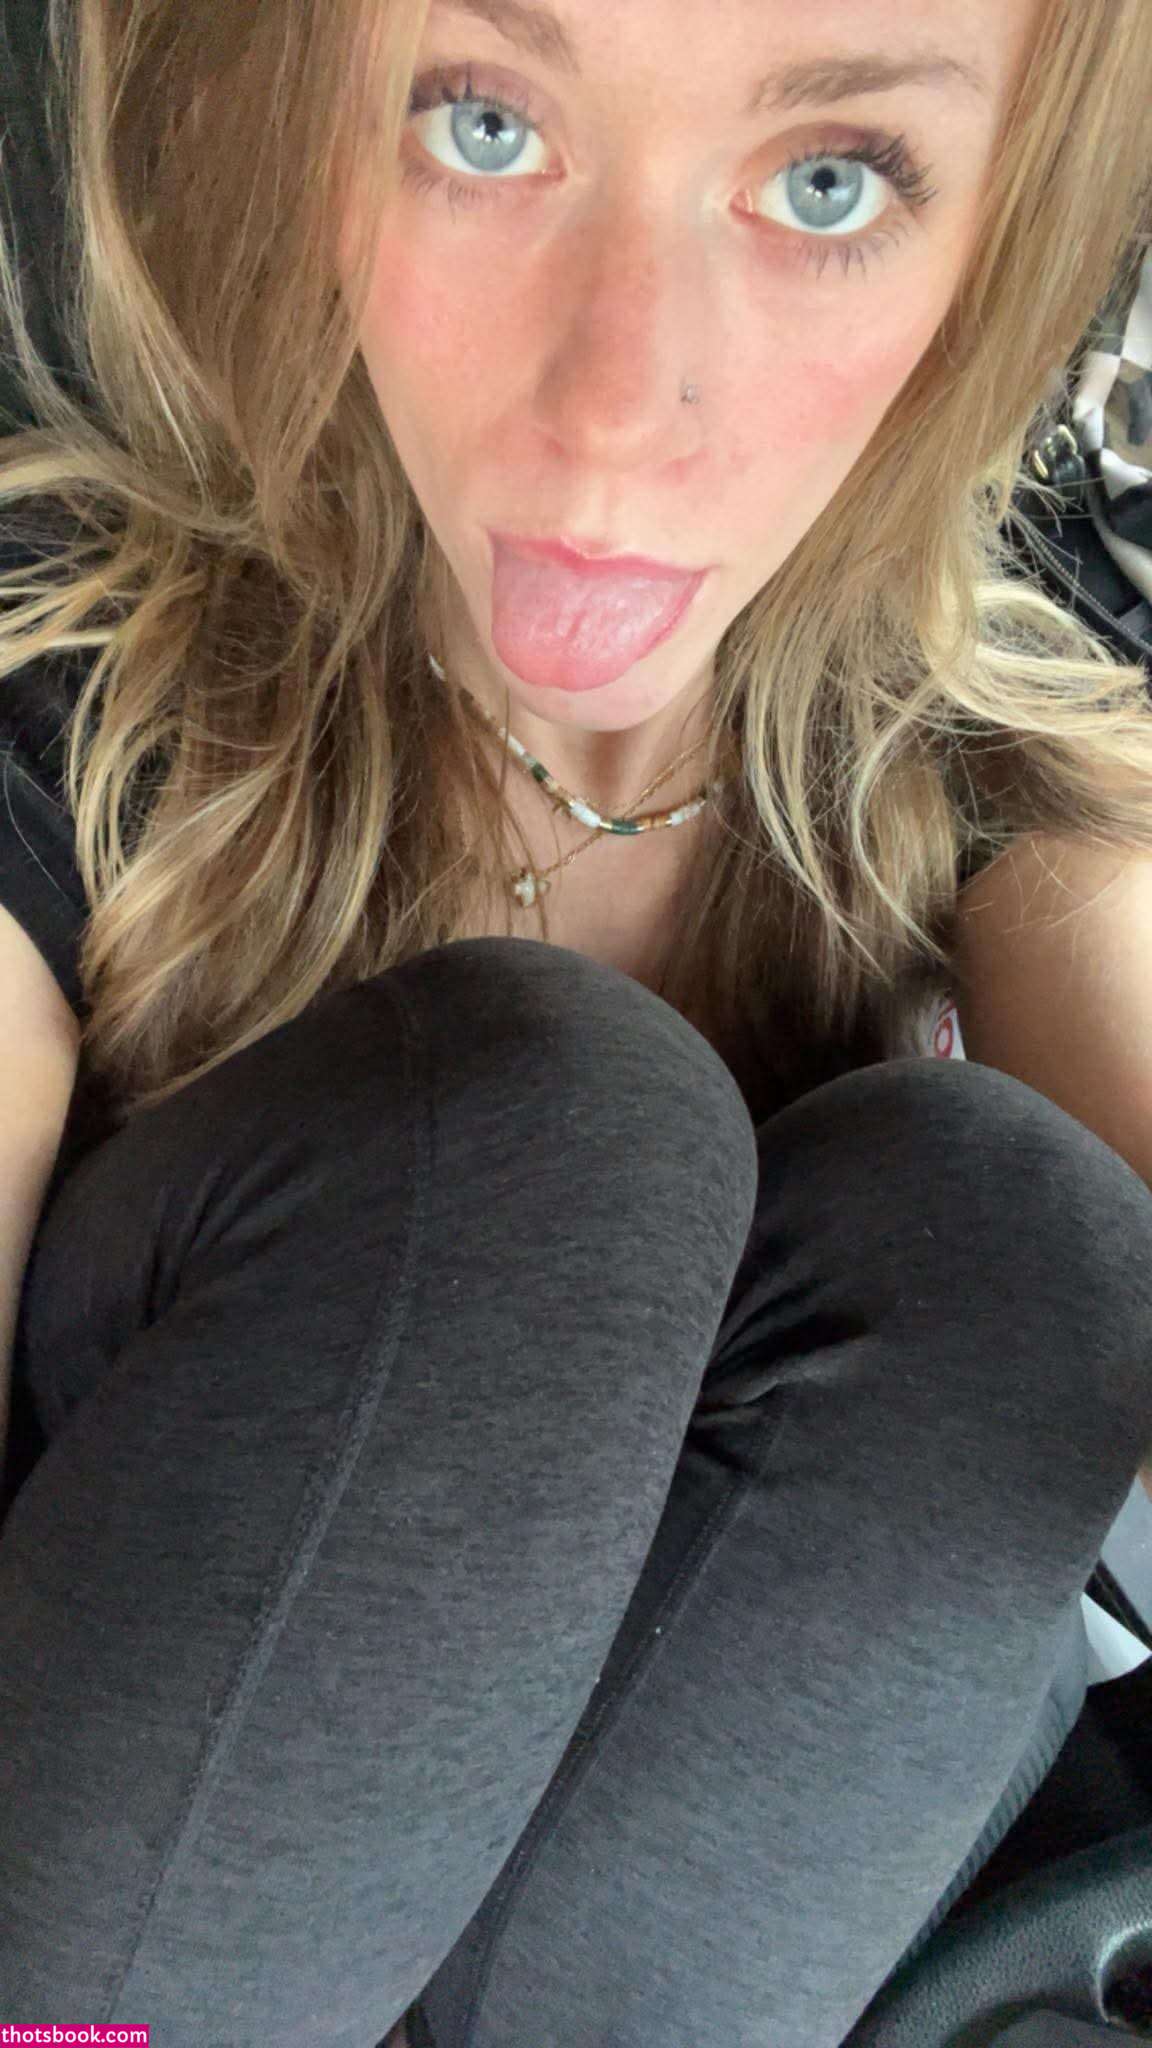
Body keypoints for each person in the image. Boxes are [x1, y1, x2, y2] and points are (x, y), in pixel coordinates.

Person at [0, 0, 1151, 2041]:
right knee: (546, 1142)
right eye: (479, 123)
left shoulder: (1005, 740)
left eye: (829, 182)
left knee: (1009, 1234)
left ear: (1002, 243)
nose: (616, 409)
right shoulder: (66, 667)